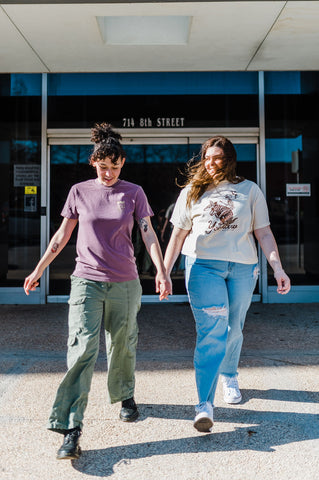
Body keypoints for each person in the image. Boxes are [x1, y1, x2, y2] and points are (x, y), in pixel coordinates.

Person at [24, 123, 171, 459]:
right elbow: (61, 236)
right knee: (82, 349)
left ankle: (124, 394)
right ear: (94, 163)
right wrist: (38, 269)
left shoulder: (133, 192)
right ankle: (70, 427)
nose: (108, 173)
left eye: (115, 167)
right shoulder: (79, 192)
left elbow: (148, 234)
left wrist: (161, 272)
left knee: (123, 342)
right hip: (86, 281)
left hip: (125, 282)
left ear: (123, 164)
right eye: (103, 167)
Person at [163, 135, 290, 433]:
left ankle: (229, 373)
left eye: (217, 157)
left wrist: (278, 268)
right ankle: (204, 405)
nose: (210, 162)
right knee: (211, 331)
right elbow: (178, 236)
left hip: (244, 268)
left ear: (229, 159)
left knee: (234, 327)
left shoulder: (250, 190)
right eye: (207, 157)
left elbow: (265, 234)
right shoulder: (192, 192)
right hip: (204, 267)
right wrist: (164, 272)